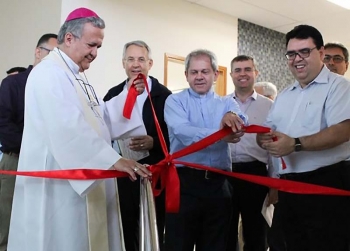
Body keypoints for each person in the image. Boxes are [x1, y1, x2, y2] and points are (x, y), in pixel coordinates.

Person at [7, 7, 151, 251]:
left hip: (79, 182)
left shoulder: (77, 75)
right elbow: (66, 126)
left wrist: (127, 96)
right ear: (70, 38)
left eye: (98, 47)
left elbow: (99, 118)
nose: (95, 53)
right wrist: (113, 159)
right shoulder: (49, 73)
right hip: (58, 187)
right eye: (91, 45)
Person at [257, 24, 350, 251]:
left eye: (304, 52)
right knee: (282, 243)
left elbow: (343, 129)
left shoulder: (339, 87)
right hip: (288, 186)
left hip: (326, 185)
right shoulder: (285, 95)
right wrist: (263, 139)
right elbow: (269, 132)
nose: (297, 59)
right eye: (291, 53)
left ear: (320, 53)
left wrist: (296, 144)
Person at [164, 49, 248, 251]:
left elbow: (241, 120)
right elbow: (183, 132)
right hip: (184, 184)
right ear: (186, 75)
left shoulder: (228, 102)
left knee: (216, 245)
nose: (199, 77)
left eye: (204, 71)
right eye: (194, 72)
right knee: (178, 244)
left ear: (215, 74)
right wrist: (220, 134)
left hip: (219, 186)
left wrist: (232, 118)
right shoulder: (174, 101)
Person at [104, 40, 171, 251]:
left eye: (141, 59)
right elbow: (103, 132)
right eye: (130, 59)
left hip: (155, 175)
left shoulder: (165, 97)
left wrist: (155, 142)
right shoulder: (112, 95)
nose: (136, 64)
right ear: (123, 63)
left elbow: (177, 138)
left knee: (155, 226)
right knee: (125, 226)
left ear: (150, 63)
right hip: (123, 174)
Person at [0, 33, 58, 251]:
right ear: (38, 52)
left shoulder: (55, 88)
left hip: (47, 165)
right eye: (51, 54)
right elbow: (4, 125)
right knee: (7, 222)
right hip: (15, 162)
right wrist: (33, 147)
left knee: (39, 221)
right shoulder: (13, 84)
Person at [226, 55, 273, 251]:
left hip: (255, 174)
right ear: (231, 75)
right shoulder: (221, 103)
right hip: (225, 173)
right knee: (225, 232)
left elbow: (274, 147)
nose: (242, 74)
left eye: (247, 69)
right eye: (237, 70)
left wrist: (274, 183)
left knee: (255, 233)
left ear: (256, 73)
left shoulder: (269, 106)